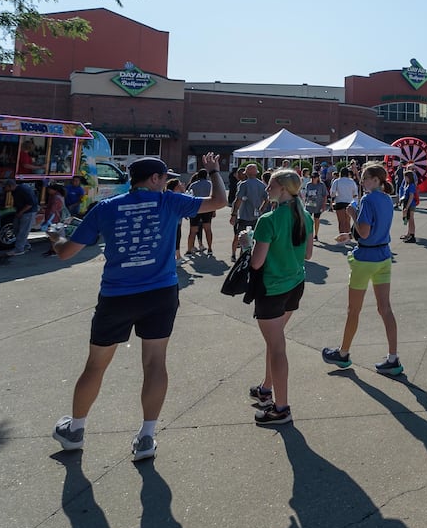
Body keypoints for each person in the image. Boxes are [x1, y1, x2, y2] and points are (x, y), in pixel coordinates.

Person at [49, 154, 229, 460]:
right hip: (160, 293)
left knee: (95, 365)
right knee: (155, 363)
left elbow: (66, 254)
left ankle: (75, 430)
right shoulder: (169, 202)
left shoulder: (105, 208)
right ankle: (146, 436)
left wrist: (56, 237)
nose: (165, 181)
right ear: (155, 179)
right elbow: (220, 201)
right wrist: (213, 171)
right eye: (164, 177)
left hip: (117, 295)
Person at [245, 168, 313, 427]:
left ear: (283, 189)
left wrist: (247, 243)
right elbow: (308, 255)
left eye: (271, 185)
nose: (267, 189)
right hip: (295, 284)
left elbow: (256, 262)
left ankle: (281, 407)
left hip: (272, 288)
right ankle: (265, 388)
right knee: (275, 342)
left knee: (276, 347)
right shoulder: (305, 216)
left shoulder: (269, 220)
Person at [321, 161, 402, 377]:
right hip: (383, 256)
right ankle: (393, 357)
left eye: (366, 178)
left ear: (376, 180)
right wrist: (350, 235)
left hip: (365, 259)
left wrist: (352, 214)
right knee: (385, 309)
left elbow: (365, 232)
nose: (363, 181)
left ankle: (344, 353)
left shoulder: (367, 199)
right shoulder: (386, 199)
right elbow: (374, 231)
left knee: (353, 310)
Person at [231, 164, 268, 261]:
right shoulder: (261, 185)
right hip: (256, 217)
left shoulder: (244, 184)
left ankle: (242, 259)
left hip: (244, 216)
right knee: (255, 239)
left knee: (242, 239)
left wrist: (234, 214)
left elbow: (238, 200)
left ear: (246, 173)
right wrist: (262, 208)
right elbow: (267, 199)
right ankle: (252, 258)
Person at [186, 168, 214, 255]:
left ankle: (189, 250)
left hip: (196, 208)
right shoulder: (210, 184)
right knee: (208, 229)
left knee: (193, 230)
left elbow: (189, 196)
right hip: (207, 207)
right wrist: (214, 209)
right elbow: (213, 196)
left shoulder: (193, 185)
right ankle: (210, 248)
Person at [329, 165, 360, 242]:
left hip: (339, 202)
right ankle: (348, 238)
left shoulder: (336, 181)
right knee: (347, 221)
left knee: (341, 222)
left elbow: (332, 193)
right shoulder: (351, 181)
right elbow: (355, 194)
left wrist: (335, 196)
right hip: (349, 203)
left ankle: (341, 239)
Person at [9, 179, 38, 254]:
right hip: (21, 211)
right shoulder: (14, 190)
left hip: (28, 212)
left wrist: (21, 212)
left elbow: (30, 204)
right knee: (16, 229)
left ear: (10, 186)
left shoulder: (23, 189)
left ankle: (19, 249)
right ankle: (26, 246)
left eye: (5, 187)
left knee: (23, 231)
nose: (4, 189)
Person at [302, 169, 329, 244]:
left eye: (315, 177)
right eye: (312, 177)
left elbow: (325, 195)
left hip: (318, 205)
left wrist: (324, 205)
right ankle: (308, 234)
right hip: (309, 205)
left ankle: (316, 234)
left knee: (316, 219)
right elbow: (306, 195)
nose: (313, 179)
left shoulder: (321, 185)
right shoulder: (308, 184)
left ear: (318, 178)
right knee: (308, 220)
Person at [396, 166, 419, 243]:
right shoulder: (408, 185)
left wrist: (407, 207)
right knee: (409, 219)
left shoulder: (411, 185)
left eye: (405, 177)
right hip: (407, 203)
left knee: (411, 219)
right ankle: (409, 233)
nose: (404, 179)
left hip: (410, 204)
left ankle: (412, 235)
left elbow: (411, 196)